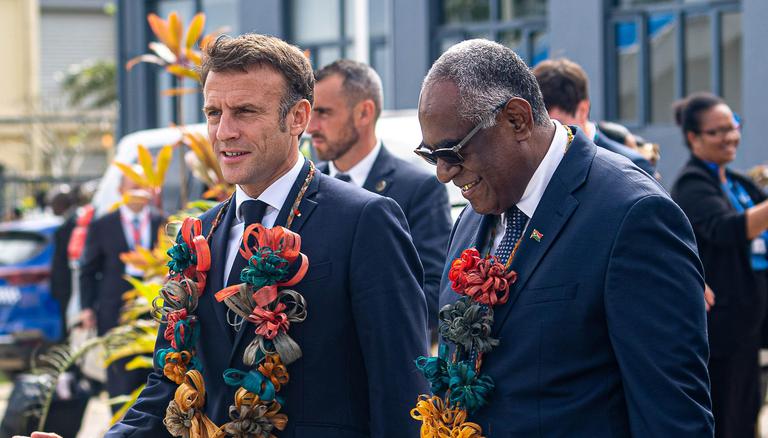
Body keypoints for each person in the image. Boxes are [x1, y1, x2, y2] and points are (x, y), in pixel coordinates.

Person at [107, 34, 428, 437]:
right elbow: (167, 385)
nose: (224, 131)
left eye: (244, 111)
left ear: (298, 118)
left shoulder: (365, 220)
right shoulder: (198, 234)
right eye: (213, 113)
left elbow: (400, 390)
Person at [415, 39, 713, 435]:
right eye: (430, 155)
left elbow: (673, 415)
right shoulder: (473, 216)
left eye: (451, 152)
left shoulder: (632, 216)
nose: (443, 173)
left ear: (517, 120)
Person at [308, 59, 452, 332]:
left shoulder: (419, 189)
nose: (310, 127)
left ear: (364, 113)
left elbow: (436, 294)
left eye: (323, 113)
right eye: (310, 112)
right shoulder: (305, 188)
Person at [670, 92, 767, 438]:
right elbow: (730, 230)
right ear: (694, 138)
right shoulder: (691, 185)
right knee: (725, 416)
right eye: (718, 131)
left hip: (748, 325)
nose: (731, 136)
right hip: (719, 330)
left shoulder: (738, 183)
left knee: (748, 411)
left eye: (733, 126)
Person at [78, 175, 165, 410]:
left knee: (152, 376)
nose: (138, 191)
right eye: (132, 186)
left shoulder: (162, 222)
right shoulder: (103, 225)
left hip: (153, 311)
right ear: (120, 190)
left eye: (142, 186)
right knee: (119, 375)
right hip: (114, 311)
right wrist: (87, 308)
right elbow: (88, 269)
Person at [533, 58, 656, 176]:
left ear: (582, 110)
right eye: (538, 125)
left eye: (556, 125)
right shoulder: (532, 162)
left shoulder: (631, 165)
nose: (548, 135)